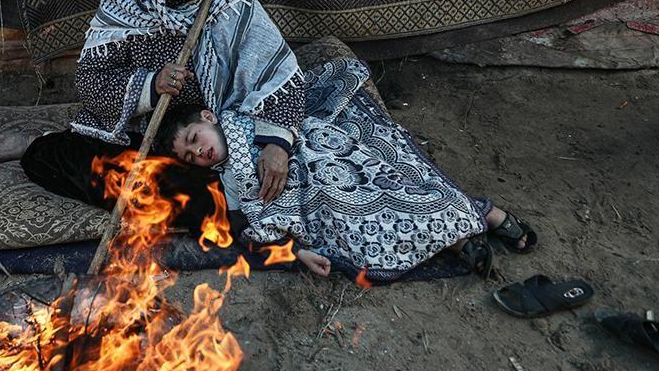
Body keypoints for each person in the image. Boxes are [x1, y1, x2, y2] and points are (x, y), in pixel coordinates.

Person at [0, 0, 306, 232]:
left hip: (221, 128)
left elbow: (278, 72)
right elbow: (91, 82)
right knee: (102, 172)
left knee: (226, 195)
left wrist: (277, 143)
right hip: (148, 132)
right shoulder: (128, 6)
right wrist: (150, 86)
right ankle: (41, 143)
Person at [153, 54, 537, 280]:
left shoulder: (244, 113)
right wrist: (294, 252)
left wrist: (282, 144)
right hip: (317, 201)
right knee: (354, 222)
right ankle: (459, 237)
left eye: (193, 139)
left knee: (389, 185)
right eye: (189, 156)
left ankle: (483, 214)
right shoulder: (229, 180)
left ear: (208, 116)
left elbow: (286, 103)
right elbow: (247, 225)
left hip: (326, 156)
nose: (197, 151)